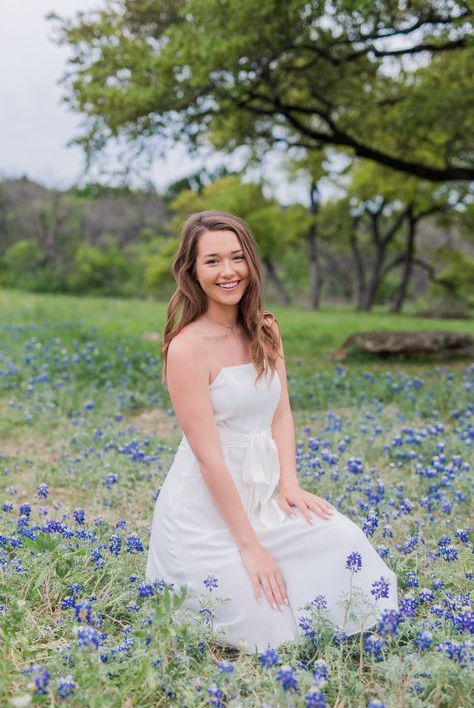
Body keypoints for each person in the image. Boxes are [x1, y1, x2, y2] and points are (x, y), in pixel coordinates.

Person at [145, 210, 398, 654]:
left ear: (251, 263)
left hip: (263, 493)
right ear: (191, 270)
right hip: (205, 510)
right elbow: (208, 458)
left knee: (343, 539)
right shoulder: (185, 349)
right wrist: (250, 547)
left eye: (237, 257)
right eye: (212, 261)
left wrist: (291, 484)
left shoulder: (266, 329)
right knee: (266, 625)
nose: (228, 271)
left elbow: (281, 415)